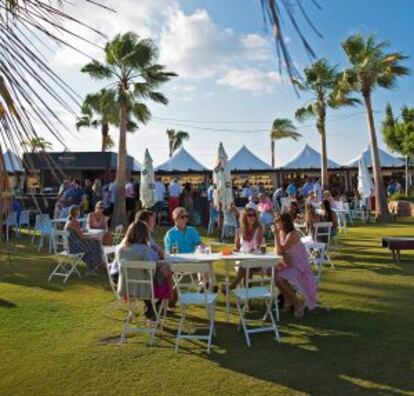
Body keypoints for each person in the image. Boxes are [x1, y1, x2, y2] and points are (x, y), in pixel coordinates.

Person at [116, 221, 172, 320]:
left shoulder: (120, 249)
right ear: (145, 234)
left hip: (126, 288)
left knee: (161, 272)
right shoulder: (144, 249)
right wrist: (160, 267)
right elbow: (150, 271)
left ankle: (150, 308)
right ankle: (159, 306)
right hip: (145, 289)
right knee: (167, 274)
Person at [273, 213, 317, 318]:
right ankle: (288, 300)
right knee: (274, 275)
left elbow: (279, 251)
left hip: (300, 268)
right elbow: (277, 251)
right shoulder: (282, 233)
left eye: (277, 221)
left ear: (284, 222)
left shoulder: (292, 234)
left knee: (278, 278)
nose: (276, 223)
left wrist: (275, 234)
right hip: (290, 265)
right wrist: (278, 234)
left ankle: (297, 304)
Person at [135, 209, 177, 307]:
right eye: (152, 220)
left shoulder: (146, 236)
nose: (154, 223)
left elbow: (157, 249)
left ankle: (166, 301)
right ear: (145, 223)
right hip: (143, 276)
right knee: (167, 270)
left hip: (143, 272)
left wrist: (160, 254)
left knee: (167, 269)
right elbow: (151, 255)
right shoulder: (140, 239)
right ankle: (168, 299)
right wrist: (160, 256)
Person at [224, 208, 264, 292]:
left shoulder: (258, 229)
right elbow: (237, 247)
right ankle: (247, 301)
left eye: (254, 215)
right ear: (244, 217)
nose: (252, 217)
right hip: (243, 258)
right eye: (249, 215)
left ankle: (234, 284)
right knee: (246, 267)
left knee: (246, 264)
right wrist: (232, 251)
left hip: (256, 259)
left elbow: (259, 245)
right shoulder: (239, 230)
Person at [64, 205, 104, 276]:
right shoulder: (74, 222)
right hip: (75, 248)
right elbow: (82, 236)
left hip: (69, 246)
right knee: (96, 243)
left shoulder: (69, 220)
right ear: (77, 213)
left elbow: (77, 234)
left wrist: (89, 236)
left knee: (92, 245)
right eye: (78, 211)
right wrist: (92, 236)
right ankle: (97, 264)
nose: (79, 213)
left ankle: (91, 268)